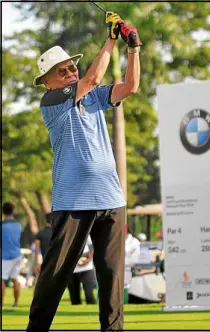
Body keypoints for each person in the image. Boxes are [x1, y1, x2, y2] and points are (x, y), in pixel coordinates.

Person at [26, 12, 141, 332]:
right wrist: (112, 39)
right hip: (73, 199)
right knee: (56, 273)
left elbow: (130, 86)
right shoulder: (51, 100)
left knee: (112, 275)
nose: (69, 72)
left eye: (71, 67)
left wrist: (133, 49)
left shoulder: (93, 96)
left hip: (111, 198)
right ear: (47, 81)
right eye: (60, 71)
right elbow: (90, 79)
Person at [1, 202, 22, 308]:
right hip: (17, 254)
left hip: (4, 256)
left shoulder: (2, 226)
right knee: (15, 279)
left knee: (2, 280)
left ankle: (1, 304)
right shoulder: (18, 225)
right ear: (13, 211)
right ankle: (16, 304)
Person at [68, 235, 97, 305]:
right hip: (72, 270)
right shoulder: (67, 233)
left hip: (87, 268)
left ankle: (93, 313)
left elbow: (91, 247)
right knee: (74, 298)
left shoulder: (86, 233)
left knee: (89, 295)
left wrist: (89, 259)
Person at [33, 213, 53, 278]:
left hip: (45, 262)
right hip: (56, 261)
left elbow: (36, 250)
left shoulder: (40, 233)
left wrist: (36, 265)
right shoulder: (57, 233)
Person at [124, 225, 140, 303]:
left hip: (129, 270)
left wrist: (120, 263)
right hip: (116, 269)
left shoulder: (134, 242)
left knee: (126, 287)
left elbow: (134, 260)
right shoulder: (116, 240)